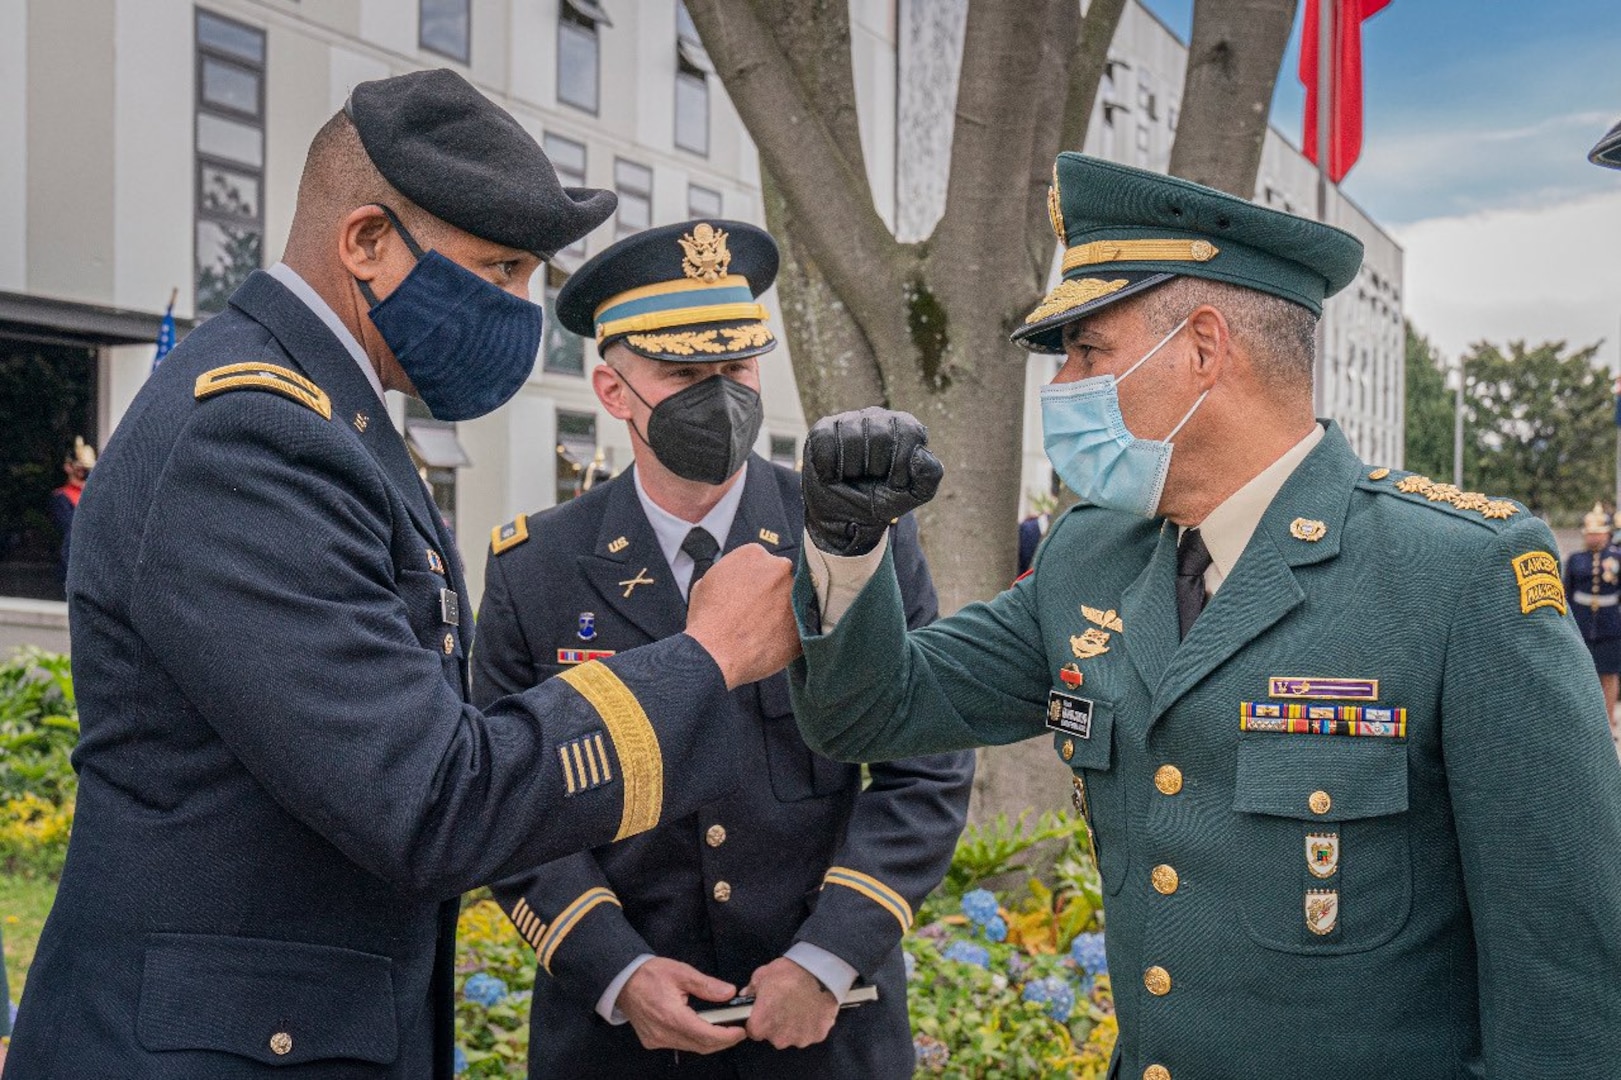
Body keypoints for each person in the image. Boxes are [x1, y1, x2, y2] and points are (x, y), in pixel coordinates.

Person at [5, 70, 798, 1079]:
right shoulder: (250, 438)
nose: (518, 306)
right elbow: (430, 801)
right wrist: (706, 657)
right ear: (365, 242)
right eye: (499, 268)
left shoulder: (329, 418)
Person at [784, 153, 1621, 1079]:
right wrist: (845, 544)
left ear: (1203, 348)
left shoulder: (1456, 572)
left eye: (1087, 352)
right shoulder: (1089, 555)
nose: (1061, 386)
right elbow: (868, 712)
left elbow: (1564, 968)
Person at [473, 221, 973, 1079]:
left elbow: (923, 764)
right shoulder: (536, 566)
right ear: (613, 388)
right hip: (617, 1039)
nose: (720, 396)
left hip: (824, 1026)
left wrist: (824, 958)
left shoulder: (848, 537)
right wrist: (615, 968)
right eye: (682, 374)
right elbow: (506, 795)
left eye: (736, 369)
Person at [1564, 503, 1621, 741]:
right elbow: (1567, 592)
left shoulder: (1617, 558)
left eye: (1597, 533)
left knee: (1609, 674)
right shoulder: (1576, 559)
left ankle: (1608, 722)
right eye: (1590, 533)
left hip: (1609, 623)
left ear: (1607, 534)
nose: (1593, 537)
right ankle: (1584, 723)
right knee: (1582, 673)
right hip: (1581, 621)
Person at [44, 437, 94, 590]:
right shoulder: (61, 497)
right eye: (80, 468)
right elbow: (70, 532)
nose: (83, 473)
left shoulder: (93, 495)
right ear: (69, 467)